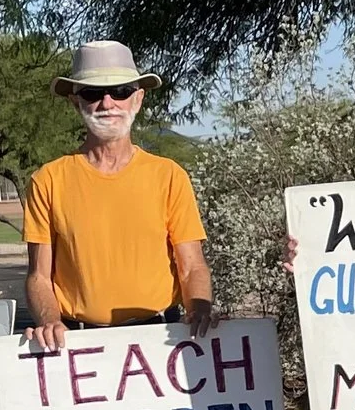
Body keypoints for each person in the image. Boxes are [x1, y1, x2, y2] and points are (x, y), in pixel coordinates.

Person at [20, 41, 215, 350]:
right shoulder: (48, 180)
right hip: (78, 343)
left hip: (161, 339)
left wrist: (200, 310)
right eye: (93, 93)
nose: (107, 102)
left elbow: (191, 267)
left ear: (138, 99)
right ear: (75, 102)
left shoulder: (168, 176)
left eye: (121, 91)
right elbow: (39, 277)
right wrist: (48, 320)